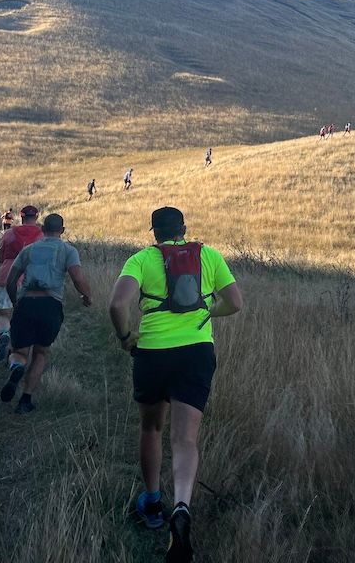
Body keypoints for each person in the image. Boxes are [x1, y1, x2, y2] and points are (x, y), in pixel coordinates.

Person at [109, 207, 243, 558]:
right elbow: (235, 303)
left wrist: (125, 337)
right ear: (184, 229)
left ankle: (152, 504)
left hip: (153, 353)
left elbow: (117, 304)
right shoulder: (209, 256)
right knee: (185, 439)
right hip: (197, 353)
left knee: (152, 429)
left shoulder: (140, 260)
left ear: (153, 232)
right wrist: (207, 313)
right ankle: (181, 507)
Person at [1, 213, 92, 414]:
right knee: (41, 353)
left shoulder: (28, 250)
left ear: (42, 229)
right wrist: (87, 296)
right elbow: (77, 278)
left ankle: (16, 367)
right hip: (50, 305)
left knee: (20, 351)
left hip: (26, 303)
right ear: (63, 230)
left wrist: (17, 303)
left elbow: (10, 280)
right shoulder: (68, 250)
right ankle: (25, 401)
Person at [0, 205, 43, 362]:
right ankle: (16, 356)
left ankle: (4, 335)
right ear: (36, 217)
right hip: (30, 280)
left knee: (3, 314)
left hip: (7, 276)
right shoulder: (42, 235)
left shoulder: (10, 233)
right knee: (23, 318)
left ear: (21, 217)